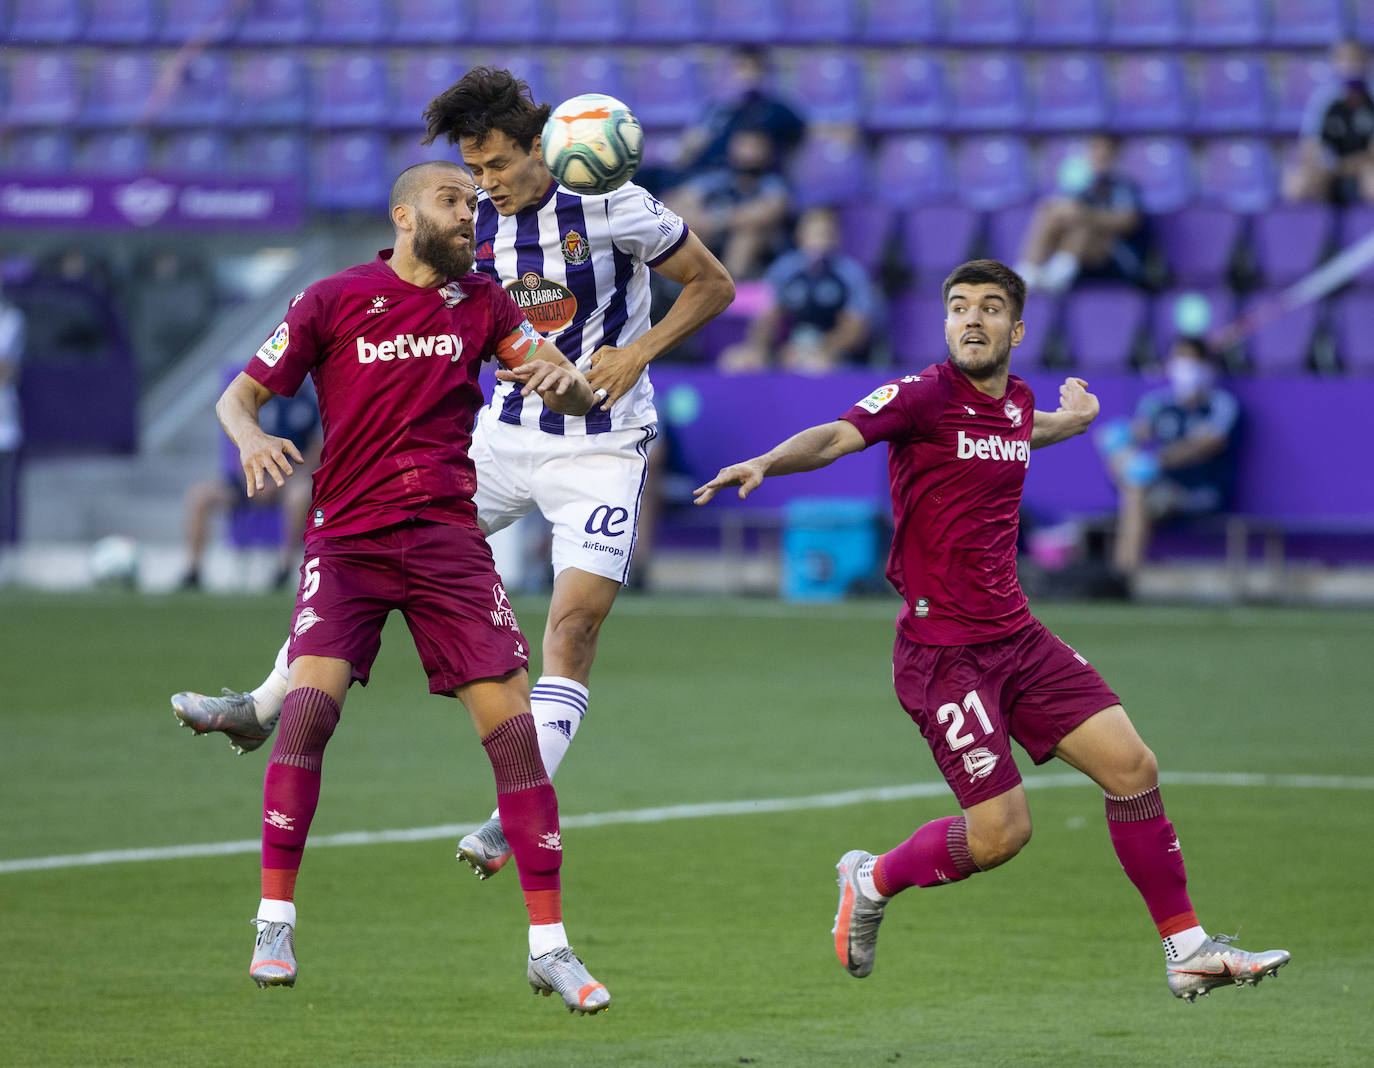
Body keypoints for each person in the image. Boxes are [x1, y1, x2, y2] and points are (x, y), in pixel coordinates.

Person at [170, 68, 735, 882]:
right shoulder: (471, 230)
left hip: (602, 445)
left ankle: (515, 813)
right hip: (501, 439)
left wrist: (638, 350)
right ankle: (262, 706)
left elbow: (714, 284)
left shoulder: (614, 202)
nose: (485, 186)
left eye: (499, 165)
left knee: (572, 627)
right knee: (365, 543)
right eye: (472, 172)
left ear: (540, 150)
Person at [693, 260, 1289, 1002]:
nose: (972, 319)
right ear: (945, 324)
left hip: (1020, 638)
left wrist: (1072, 422)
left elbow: (1016, 430)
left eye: (990, 307)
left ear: (1018, 328)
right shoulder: (920, 396)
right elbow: (838, 436)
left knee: (1134, 770)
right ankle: (870, 877)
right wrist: (765, 461)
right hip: (944, 657)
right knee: (1002, 835)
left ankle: (1187, 948)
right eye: (959, 307)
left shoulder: (1015, 404)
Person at [218, 159, 610, 1011]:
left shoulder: (487, 303)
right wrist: (251, 437)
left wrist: (567, 381)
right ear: (405, 215)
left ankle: (550, 946)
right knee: (310, 711)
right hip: (350, 541)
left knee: (512, 737)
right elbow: (238, 398)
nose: (469, 213)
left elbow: (569, 389)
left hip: (447, 543)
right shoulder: (330, 298)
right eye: (451, 200)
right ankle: (274, 920)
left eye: (474, 203)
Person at [1097, 336, 1241, 582]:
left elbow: (1206, 445)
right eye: (1178, 358)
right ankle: (1124, 573)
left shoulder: (1221, 404)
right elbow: (1134, 432)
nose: (1183, 366)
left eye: (1190, 359)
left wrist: (1158, 461)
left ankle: (1122, 574)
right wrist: (1116, 444)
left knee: (1136, 491)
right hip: (1161, 491)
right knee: (1133, 485)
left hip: (1202, 492)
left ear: (1205, 366)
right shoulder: (1158, 404)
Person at [179, 376, 321, 590]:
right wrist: (256, 476)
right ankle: (193, 570)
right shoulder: (257, 400)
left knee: (300, 496)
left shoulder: (311, 404)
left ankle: (283, 569)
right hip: (253, 477)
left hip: (289, 479)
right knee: (199, 494)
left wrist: (280, 480)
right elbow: (242, 444)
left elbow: (314, 454)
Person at [718, 205, 878, 373]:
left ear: (836, 239)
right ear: (800, 236)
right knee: (736, 362)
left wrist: (820, 349)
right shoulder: (784, 269)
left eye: (825, 235)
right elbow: (766, 318)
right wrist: (759, 350)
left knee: (813, 367)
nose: (819, 242)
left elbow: (854, 330)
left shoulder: (852, 274)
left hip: (833, 353)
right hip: (788, 349)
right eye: (813, 234)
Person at [1014, 134, 1146, 294]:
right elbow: (1062, 211)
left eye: (1104, 151)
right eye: (1095, 149)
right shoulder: (1082, 185)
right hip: (1081, 261)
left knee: (1083, 224)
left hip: (1117, 258)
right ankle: (1028, 272)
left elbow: (1128, 222)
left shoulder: (1124, 186)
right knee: (1047, 213)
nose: (1099, 154)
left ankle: (1056, 277)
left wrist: (1086, 215)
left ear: (1114, 154)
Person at [668, 127, 792, 280]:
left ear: (766, 152)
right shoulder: (721, 178)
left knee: (747, 233)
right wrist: (694, 215)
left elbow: (768, 211)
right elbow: (681, 199)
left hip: (764, 245)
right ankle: (681, 286)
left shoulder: (772, 182)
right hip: (714, 235)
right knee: (687, 228)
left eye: (755, 147)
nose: (748, 154)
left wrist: (715, 221)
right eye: (743, 146)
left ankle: (730, 289)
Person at [1283, 38, 1374, 205]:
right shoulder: (1324, 100)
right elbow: (1311, 146)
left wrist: (1345, 167)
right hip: (1330, 168)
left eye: (1356, 59)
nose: (1351, 66)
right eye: (1345, 60)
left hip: (1362, 168)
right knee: (1298, 183)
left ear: (1367, 62)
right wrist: (1329, 165)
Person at [0, 283, 25, 557]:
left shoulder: (10, 318)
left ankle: (6, 557)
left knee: (4, 495)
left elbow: (6, 369)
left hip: (4, 424)